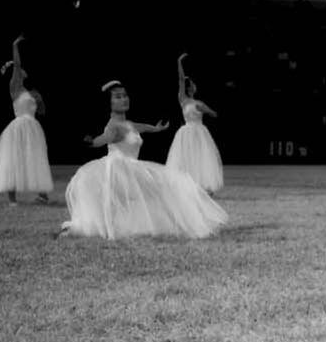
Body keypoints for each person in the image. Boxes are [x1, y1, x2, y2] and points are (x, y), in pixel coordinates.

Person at [60, 80, 228, 239]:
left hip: (131, 169)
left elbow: (139, 127)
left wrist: (156, 128)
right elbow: (105, 137)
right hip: (119, 170)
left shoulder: (127, 124)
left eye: (125, 95)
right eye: (118, 97)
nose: (124, 99)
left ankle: (184, 224)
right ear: (109, 103)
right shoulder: (114, 126)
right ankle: (186, 225)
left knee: (161, 192)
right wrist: (93, 142)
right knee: (167, 188)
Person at [0, 35, 54, 205]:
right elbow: (18, 63)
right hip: (20, 126)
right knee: (14, 160)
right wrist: (15, 46)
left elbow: (42, 112)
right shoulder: (15, 87)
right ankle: (12, 200)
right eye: (17, 69)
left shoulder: (31, 92)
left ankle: (42, 195)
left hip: (33, 127)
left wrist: (39, 100)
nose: (21, 70)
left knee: (35, 158)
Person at [165, 53, 224, 193]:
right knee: (191, 157)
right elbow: (180, 79)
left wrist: (207, 110)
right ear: (191, 87)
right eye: (192, 84)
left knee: (197, 157)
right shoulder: (187, 100)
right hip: (193, 131)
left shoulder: (189, 102)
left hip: (193, 132)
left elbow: (213, 113)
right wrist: (179, 62)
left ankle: (200, 185)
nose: (194, 85)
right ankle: (189, 186)